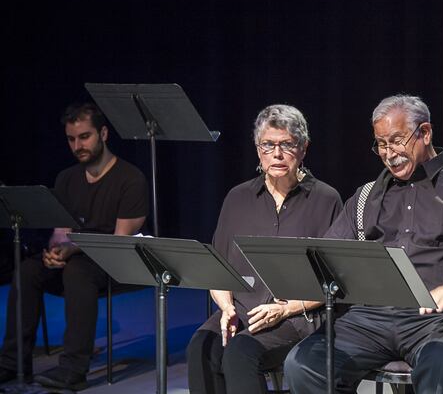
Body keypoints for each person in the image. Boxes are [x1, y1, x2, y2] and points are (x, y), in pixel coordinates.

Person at [284, 95, 443, 394]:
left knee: (442, 361)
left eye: (396, 140)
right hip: (369, 320)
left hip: (440, 321)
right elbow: (328, 256)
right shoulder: (366, 196)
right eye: (381, 144)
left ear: (425, 133)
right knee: (304, 363)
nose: (388, 153)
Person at [186, 104, 343, 394]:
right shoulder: (238, 197)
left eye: (287, 144)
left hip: (297, 314)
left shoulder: (326, 199)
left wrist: (286, 309)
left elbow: (334, 281)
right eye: (268, 145)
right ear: (258, 150)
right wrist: (226, 307)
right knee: (201, 348)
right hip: (242, 308)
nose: (278, 154)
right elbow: (217, 268)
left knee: (240, 353)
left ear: (304, 148)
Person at [0, 102, 149, 390]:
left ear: (103, 134)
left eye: (85, 137)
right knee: (29, 271)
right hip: (77, 258)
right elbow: (61, 232)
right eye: (71, 139)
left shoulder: (130, 179)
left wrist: (73, 250)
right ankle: (13, 362)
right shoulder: (67, 178)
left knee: (78, 271)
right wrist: (55, 252)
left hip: (115, 263)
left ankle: (73, 369)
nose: (78, 145)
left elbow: (119, 245)